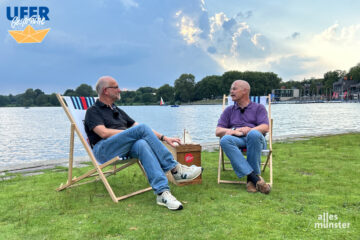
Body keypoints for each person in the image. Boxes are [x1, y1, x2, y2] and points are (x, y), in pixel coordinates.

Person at [85, 76, 202, 210]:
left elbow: (139, 127)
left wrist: (164, 137)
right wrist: (130, 133)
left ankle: (162, 193)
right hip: (104, 149)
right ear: (106, 90)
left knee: (142, 144)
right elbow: (103, 133)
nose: (120, 90)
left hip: (123, 147)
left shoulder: (116, 110)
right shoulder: (93, 111)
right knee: (140, 130)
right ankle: (175, 169)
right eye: (116, 87)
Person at [215, 80, 271, 194]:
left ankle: (251, 180)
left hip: (256, 140)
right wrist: (234, 131)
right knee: (225, 139)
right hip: (238, 139)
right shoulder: (229, 110)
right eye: (231, 89)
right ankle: (254, 178)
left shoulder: (258, 108)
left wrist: (249, 130)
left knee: (254, 134)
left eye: (234, 89)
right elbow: (218, 131)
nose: (231, 91)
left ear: (245, 91)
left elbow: (265, 127)